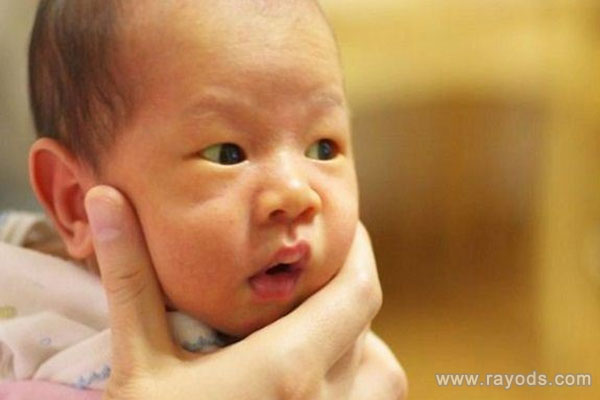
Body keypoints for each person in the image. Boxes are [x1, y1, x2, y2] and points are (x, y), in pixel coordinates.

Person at [0, 0, 407, 398]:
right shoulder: (43, 354)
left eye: (323, 148)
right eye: (226, 154)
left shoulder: (348, 350)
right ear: (76, 202)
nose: (297, 193)